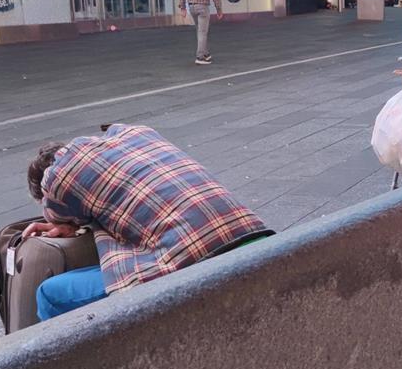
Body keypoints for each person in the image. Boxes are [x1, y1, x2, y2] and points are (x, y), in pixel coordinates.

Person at [22, 125, 274, 320]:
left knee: (50, 295)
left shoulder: (57, 179)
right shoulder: (136, 134)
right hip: (260, 242)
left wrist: (63, 223)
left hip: (197, 266)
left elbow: (58, 219)